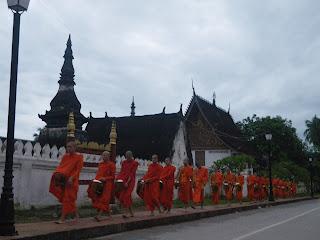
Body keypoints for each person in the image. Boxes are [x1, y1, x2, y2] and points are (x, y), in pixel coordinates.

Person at [49, 140, 83, 224]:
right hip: (64, 180)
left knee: (67, 199)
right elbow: (61, 167)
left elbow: (78, 170)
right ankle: (76, 216)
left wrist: (72, 178)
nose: (68, 148)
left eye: (70, 147)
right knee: (69, 200)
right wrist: (57, 174)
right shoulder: (65, 157)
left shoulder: (79, 157)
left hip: (72, 181)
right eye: (67, 147)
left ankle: (62, 219)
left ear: (75, 148)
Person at [87, 151, 115, 221]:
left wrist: (105, 178)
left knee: (104, 200)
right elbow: (98, 174)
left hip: (107, 184)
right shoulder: (100, 164)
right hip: (99, 184)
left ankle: (99, 216)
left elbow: (113, 176)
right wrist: (95, 181)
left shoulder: (112, 165)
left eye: (105, 155)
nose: (104, 157)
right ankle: (109, 215)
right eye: (103, 155)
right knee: (97, 198)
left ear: (109, 156)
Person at [115, 150, 139, 218]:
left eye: (129, 156)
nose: (127, 157)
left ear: (131, 156)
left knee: (126, 196)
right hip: (123, 180)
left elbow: (132, 174)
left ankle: (125, 213)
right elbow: (122, 172)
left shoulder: (135, 163)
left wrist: (127, 183)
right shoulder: (124, 162)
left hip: (130, 181)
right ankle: (131, 213)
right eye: (126, 156)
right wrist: (117, 179)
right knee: (123, 196)